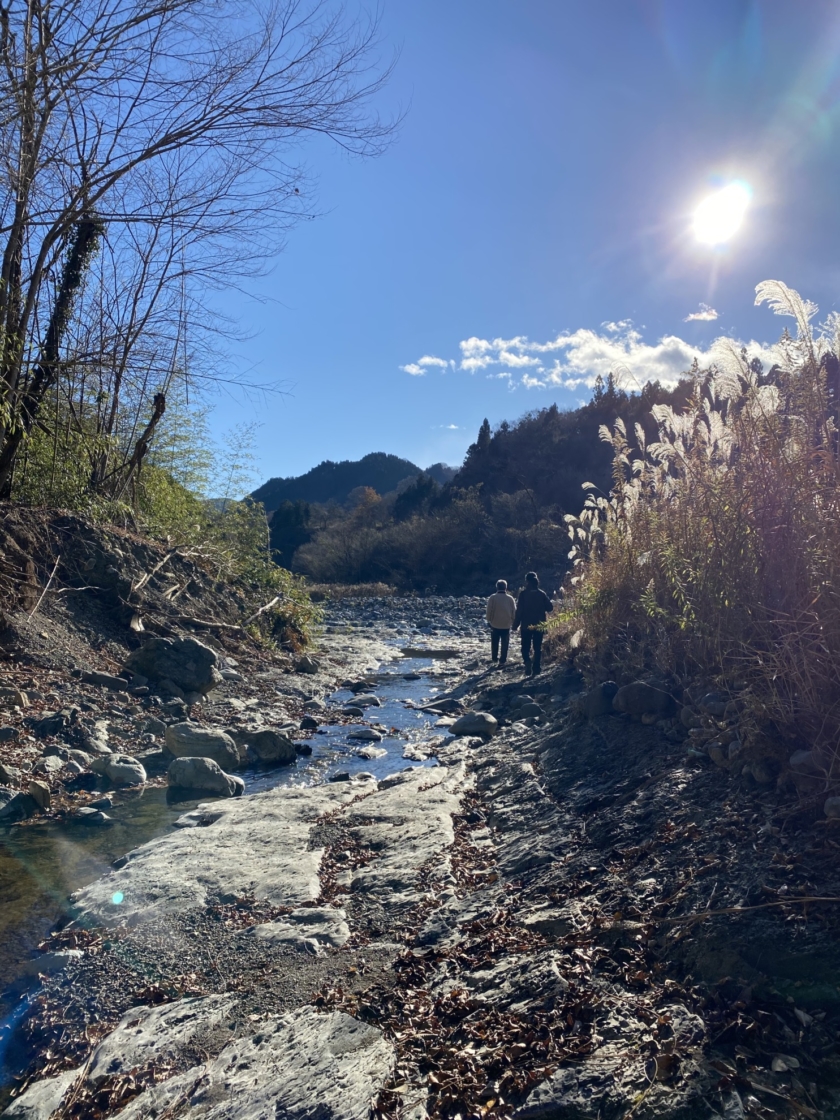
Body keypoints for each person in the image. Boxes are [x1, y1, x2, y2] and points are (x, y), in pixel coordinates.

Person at [513, 571, 554, 676]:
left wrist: (515, 624)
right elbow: (550, 608)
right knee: (537, 647)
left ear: (527, 581)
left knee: (525, 647)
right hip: (539, 625)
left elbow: (519, 611)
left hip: (526, 625)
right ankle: (536, 668)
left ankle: (527, 662)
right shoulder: (541, 594)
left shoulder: (523, 594)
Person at [485, 579, 516, 667]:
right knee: (505, 643)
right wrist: (513, 621)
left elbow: (489, 611)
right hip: (506, 624)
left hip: (495, 624)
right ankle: (502, 660)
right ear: (506, 587)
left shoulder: (493, 597)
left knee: (495, 642)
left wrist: (489, 620)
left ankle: (494, 658)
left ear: (497, 587)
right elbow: (514, 611)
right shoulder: (510, 598)